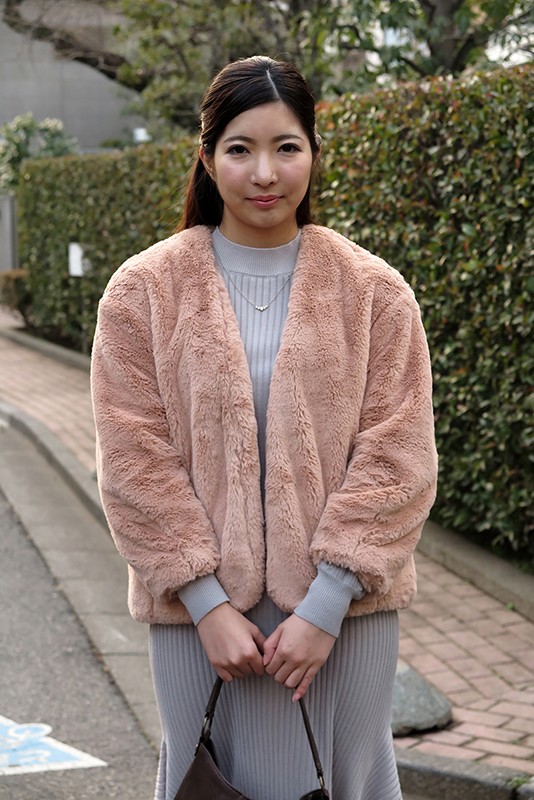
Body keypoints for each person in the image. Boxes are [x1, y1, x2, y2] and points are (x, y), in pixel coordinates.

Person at [91, 55, 438, 800]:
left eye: (286, 147)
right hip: (199, 622)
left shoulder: (374, 292)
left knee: (349, 780)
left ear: (314, 152)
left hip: (345, 616)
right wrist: (206, 604)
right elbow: (132, 459)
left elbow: (399, 453)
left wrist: (326, 605)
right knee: (206, 778)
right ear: (207, 157)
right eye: (240, 149)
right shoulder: (142, 291)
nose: (264, 173)